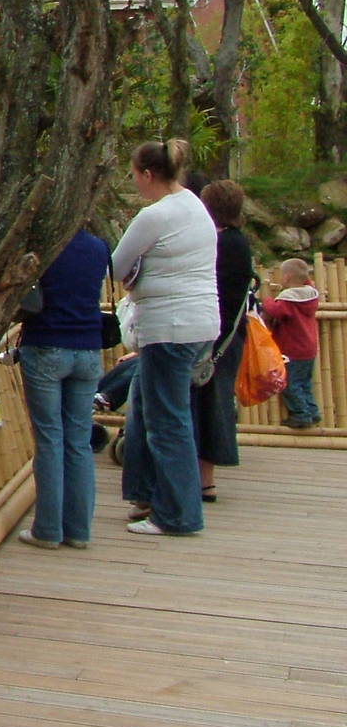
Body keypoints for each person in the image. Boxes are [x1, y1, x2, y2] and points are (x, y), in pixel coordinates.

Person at [113, 139, 219, 537]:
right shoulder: (194, 205)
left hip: (168, 327)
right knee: (149, 408)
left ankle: (177, 514)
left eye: (134, 174)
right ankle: (149, 494)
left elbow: (117, 264)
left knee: (167, 421)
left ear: (147, 174)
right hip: (201, 323)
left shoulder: (154, 216)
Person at [15, 226, 110, 550]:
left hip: (46, 343)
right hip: (87, 347)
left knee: (49, 438)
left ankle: (48, 528)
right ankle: (79, 529)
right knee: (79, 440)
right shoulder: (99, 248)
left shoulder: (43, 245)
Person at [194, 180, 252, 503]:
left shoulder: (223, 245)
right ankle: (204, 478)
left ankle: (205, 479)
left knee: (210, 404)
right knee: (213, 403)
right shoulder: (237, 242)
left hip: (218, 337)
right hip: (228, 334)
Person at [263, 258, 321, 429]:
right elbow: (306, 281)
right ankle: (312, 411)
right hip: (308, 349)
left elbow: (275, 311)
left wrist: (267, 300)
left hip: (292, 350)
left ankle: (301, 414)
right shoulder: (310, 295)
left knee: (290, 384)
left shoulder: (289, 300)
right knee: (305, 382)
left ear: (287, 278)